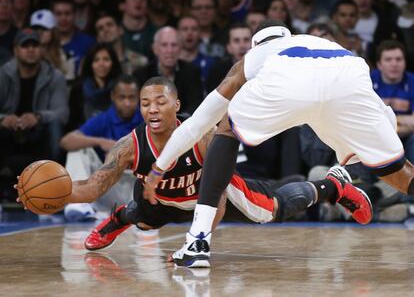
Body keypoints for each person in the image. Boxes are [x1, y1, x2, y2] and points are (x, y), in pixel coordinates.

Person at [142, 19, 414, 267]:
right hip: (350, 74)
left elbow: (196, 124)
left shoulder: (258, 55)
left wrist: (159, 168)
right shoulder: (318, 43)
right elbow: (385, 118)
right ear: (289, 34)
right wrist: (381, 147)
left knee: (226, 128)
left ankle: (197, 241)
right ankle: (337, 183)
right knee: (399, 174)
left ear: (255, 44)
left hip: (291, 84)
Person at [25, 77, 370, 260]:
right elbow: (94, 186)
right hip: (159, 197)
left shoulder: (204, 137)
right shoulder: (130, 145)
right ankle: (119, 218)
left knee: (273, 211)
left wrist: (197, 241)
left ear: (177, 105)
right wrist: (60, 194)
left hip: (208, 197)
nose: (152, 109)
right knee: (143, 217)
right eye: (145, 104)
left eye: (161, 101)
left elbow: (215, 197)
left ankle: (333, 186)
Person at [60, 74, 143, 220]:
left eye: (132, 98)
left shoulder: (147, 119)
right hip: (107, 187)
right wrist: (100, 142)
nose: (127, 103)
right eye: (122, 97)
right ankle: (78, 202)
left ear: (139, 98)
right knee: (79, 150)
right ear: (113, 97)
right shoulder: (103, 119)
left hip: (136, 188)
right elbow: (66, 141)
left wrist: (123, 153)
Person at [0, 29, 68, 199]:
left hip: (39, 134)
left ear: (42, 50)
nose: (30, 49)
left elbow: (62, 114)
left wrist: (37, 117)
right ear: (16, 50)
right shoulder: (3, 74)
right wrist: (3, 119)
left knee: (54, 126)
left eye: (35, 45)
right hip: (9, 133)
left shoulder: (54, 76)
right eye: (25, 45)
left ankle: (52, 182)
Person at [133, 26, 203, 116]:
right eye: (164, 45)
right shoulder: (141, 75)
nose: (170, 50)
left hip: (183, 125)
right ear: (155, 49)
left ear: (180, 49)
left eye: (174, 45)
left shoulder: (192, 72)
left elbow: (195, 105)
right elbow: (141, 107)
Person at [371, 40, 414, 163]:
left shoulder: (412, 81)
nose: (394, 64)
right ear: (379, 64)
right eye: (388, 59)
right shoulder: (367, 81)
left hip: (405, 138)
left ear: (405, 62)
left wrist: (384, 121)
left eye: (399, 59)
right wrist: (404, 120)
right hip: (375, 138)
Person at [68, 43, 122, 131]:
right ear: (90, 64)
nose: (101, 64)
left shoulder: (121, 88)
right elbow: (73, 122)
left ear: (113, 62)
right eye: (96, 60)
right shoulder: (78, 89)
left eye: (106, 59)